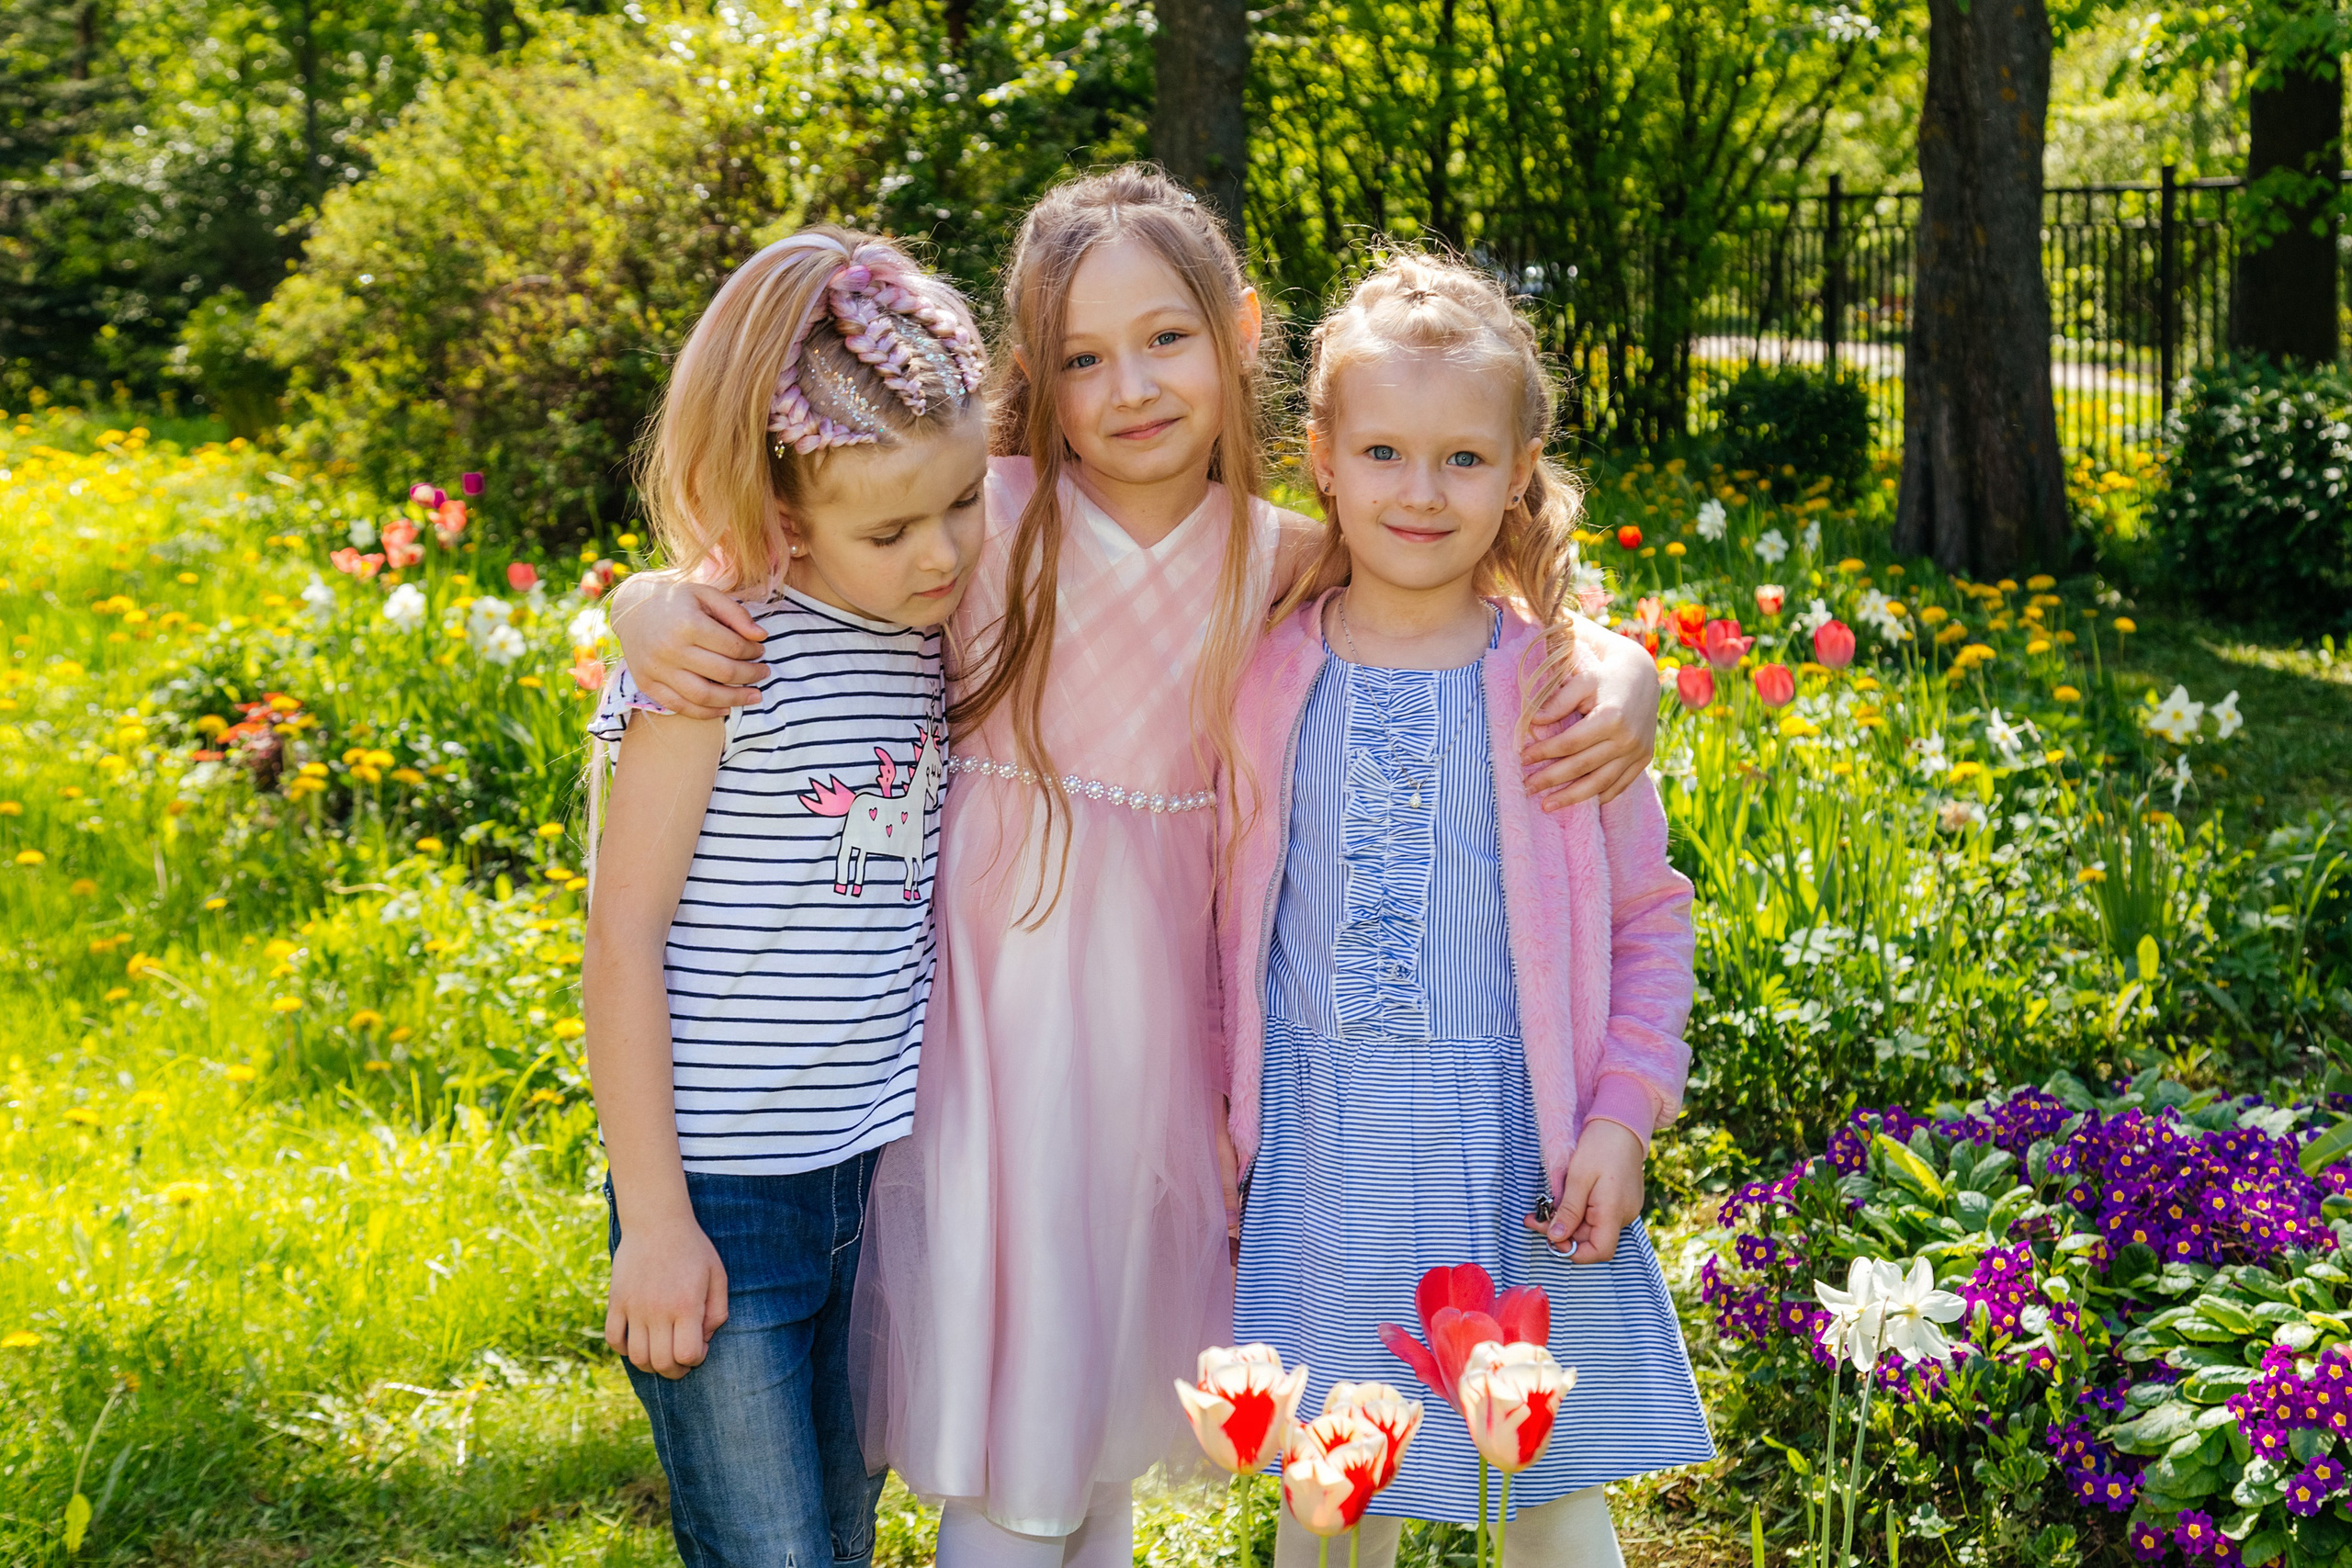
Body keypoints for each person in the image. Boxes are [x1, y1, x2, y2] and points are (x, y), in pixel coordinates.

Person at [602, 166, 1666, 1568]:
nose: (1133, 389)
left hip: (1162, 1030)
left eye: (1167, 340)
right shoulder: (975, 519)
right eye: (1086, 359)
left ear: (1240, 331)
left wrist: (1620, 662)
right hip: (995, 1030)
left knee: (1101, 1390)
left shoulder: (1287, 562)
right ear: (1037, 376)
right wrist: (643, 600)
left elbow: (1472, 594)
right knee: (1015, 1377)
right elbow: (786, 549)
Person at [1217, 251, 1713, 1568]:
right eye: (1382, 451)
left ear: (1520, 465)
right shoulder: (1262, 670)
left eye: (1462, 460)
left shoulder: (1558, 691)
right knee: (1336, 1489)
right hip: (1324, 1152)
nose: (1420, 493)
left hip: (1517, 1148)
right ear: (1319, 457)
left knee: (1545, 1488)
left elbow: (1648, 925)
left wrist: (1621, 1118)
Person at [580, 226, 990, 1568]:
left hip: (875, 1179)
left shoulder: (929, 632)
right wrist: (655, 1220)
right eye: (890, 526)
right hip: (723, 1190)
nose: (941, 551)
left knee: (841, 1531)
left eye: (962, 503)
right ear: (782, 510)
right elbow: (622, 937)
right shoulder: (715, 657)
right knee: (769, 1549)